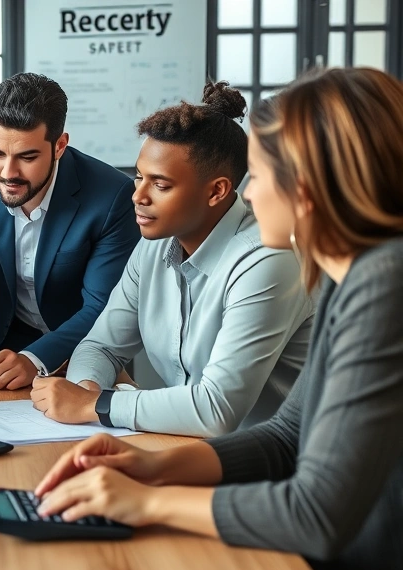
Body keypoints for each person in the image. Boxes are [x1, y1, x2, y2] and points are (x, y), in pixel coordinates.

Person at [33, 68, 403, 570]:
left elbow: (316, 514)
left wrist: (145, 501)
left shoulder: (384, 284)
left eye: (263, 176)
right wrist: (149, 466)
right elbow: (286, 437)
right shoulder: (352, 277)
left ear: (309, 186)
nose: (249, 196)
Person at [30, 81, 313, 437]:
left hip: (271, 467)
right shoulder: (154, 243)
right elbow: (100, 346)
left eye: (160, 185)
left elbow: (216, 409)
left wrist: (94, 405)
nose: (138, 196)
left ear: (217, 191)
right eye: (138, 177)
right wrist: (86, 390)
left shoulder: (267, 259)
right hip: (185, 449)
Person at [0, 72, 140, 390]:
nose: (7, 173)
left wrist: (36, 359)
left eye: (27, 157)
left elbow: (102, 305)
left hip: (83, 353)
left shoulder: (112, 196)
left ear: (59, 146)